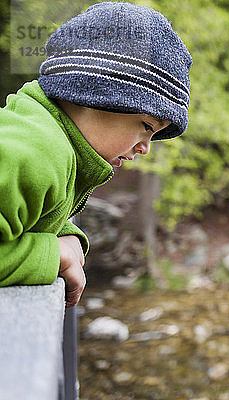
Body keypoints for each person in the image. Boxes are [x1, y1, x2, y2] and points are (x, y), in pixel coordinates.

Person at [0, 2, 192, 307]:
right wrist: (52, 255)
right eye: (146, 126)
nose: (145, 147)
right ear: (95, 94)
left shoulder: (47, 138)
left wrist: (66, 234)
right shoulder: (36, 152)